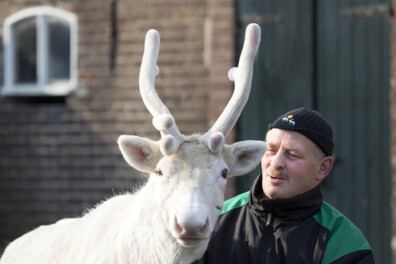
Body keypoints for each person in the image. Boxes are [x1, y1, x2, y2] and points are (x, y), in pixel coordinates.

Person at [200, 107, 374, 263]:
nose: (275, 164)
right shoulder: (215, 219)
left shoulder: (345, 243)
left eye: (292, 154)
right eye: (271, 150)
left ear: (323, 167)